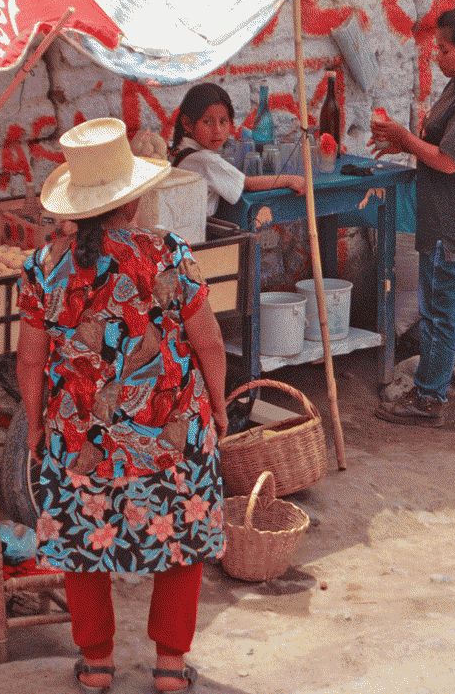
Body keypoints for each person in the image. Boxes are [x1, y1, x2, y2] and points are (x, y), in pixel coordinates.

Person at [16, 117, 229, 693]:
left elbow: (30, 361)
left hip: (79, 437)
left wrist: (35, 425)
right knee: (181, 539)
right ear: (131, 202)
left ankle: (97, 662)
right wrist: (218, 406)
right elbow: (208, 341)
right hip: (171, 430)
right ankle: (169, 666)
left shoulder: (42, 268)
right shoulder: (167, 253)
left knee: (83, 545)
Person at [370, 4, 455, 426]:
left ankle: (429, 397)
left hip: (451, 220)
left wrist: (405, 138)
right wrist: (405, 143)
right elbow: (441, 146)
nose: (437, 56)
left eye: (445, 49)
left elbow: (448, 161)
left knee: (439, 308)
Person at [169, 82, 306, 214]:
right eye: (207, 122)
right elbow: (248, 184)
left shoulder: (179, 150)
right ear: (187, 124)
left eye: (223, 121)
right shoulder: (204, 160)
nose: (217, 130)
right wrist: (290, 180)